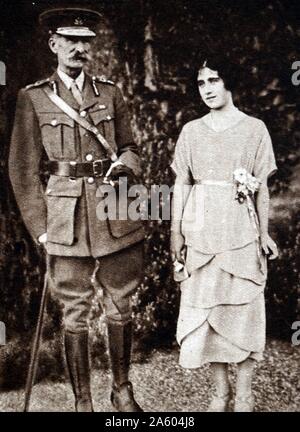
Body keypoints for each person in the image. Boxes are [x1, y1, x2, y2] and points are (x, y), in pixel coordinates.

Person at [9, 7, 145, 412]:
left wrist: (126, 166)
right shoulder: (32, 98)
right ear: (54, 45)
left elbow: (130, 147)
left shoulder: (111, 92)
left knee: (121, 303)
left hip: (115, 212)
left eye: (85, 41)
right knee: (74, 312)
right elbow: (21, 169)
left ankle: (122, 392)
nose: (79, 48)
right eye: (70, 40)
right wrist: (40, 228)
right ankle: (82, 401)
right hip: (64, 221)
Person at [170, 55, 278, 412]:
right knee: (208, 309)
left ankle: (244, 393)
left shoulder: (254, 129)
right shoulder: (191, 131)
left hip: (240, 229)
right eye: (201, 83)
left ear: (228, 82)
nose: (207, 89)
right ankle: (220, 392)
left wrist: (263, 234)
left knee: (242, 305)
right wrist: (176, 234)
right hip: (200, 229)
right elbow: (181, 184)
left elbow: (262, 188)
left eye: (214, 80)